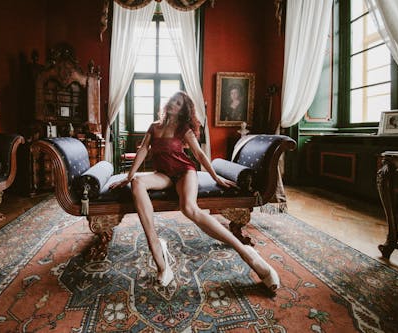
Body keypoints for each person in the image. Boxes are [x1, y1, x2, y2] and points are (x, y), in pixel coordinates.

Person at [109, 91, 280, 292]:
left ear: (184, 109)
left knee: (189, 208)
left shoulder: (184, 130)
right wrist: (128, 177)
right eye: (173, 99)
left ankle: (247, 253)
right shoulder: (154, 127)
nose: (174, 103)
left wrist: (216, 177)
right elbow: (143, 150)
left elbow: (198, 154)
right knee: (137, 183)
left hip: (184, 172)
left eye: (179, 102)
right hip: (163, 174)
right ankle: (158, 252)